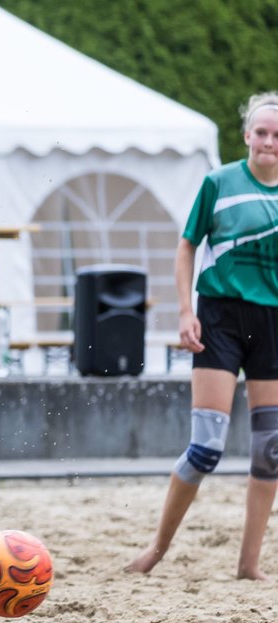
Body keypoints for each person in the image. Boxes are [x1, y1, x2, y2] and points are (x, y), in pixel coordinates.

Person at [126, 92, 278, 581]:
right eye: (261, 132)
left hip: (273, 324)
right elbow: (187, 245)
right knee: (207, 448)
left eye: (277, 135)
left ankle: (248, 566)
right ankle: (158, 547)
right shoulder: (219, 183)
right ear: (247, 136)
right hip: (219, 318)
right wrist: (185, 311)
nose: (269, 141)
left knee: (270, 450)